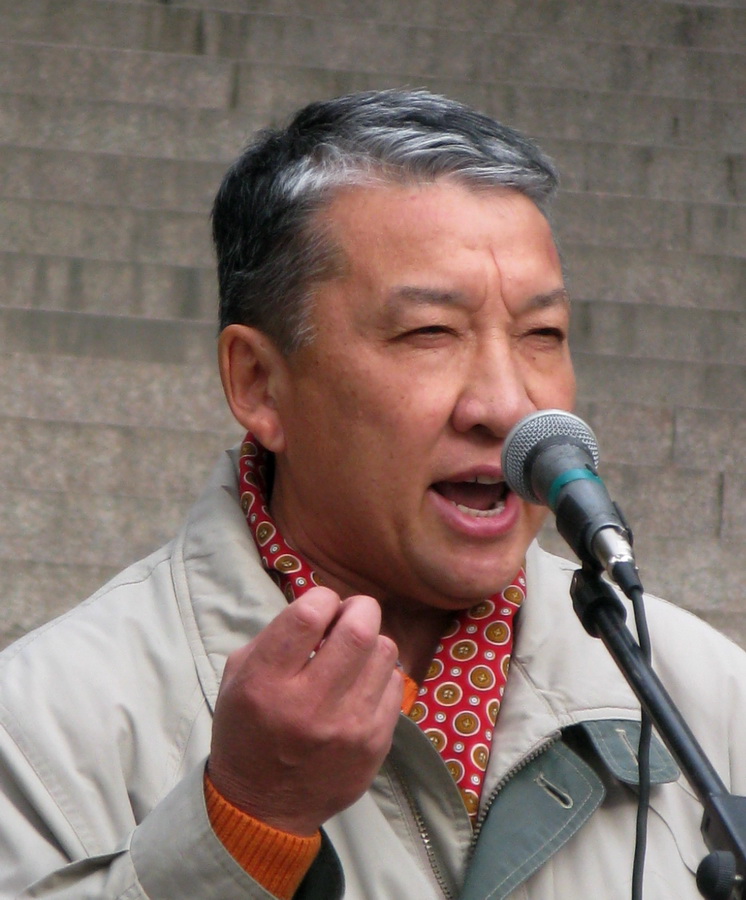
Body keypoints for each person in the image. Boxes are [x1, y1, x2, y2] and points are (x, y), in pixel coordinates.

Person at [1, 88, 745, 900]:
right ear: (259, 383)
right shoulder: (42, 727)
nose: (506, 404)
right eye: (430, 332)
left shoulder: (708, 696)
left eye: (543, 335)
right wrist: (245, 826)